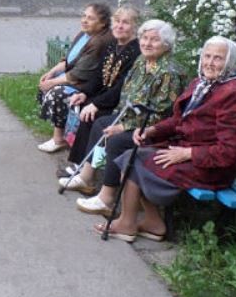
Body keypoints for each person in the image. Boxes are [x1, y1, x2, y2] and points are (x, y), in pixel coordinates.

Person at [93, 36, 236, 242]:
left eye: (218, 58)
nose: (210, 63)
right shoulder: (202, 83)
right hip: (188, 150)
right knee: (131, 155)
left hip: (211, 166)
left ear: (230, 63)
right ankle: (151, 223)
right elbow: (179, 120)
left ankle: (128, 223)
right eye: (207, 56)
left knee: (135, 160)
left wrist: (186, 154)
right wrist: (151, 130)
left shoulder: (234, 93)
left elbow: (229, 152)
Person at [62, 20, 186, 212]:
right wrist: (118, 118)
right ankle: (86, 177)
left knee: (116, 140)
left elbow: (160, 114)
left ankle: (107, 198)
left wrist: (123, 126)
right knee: (100, 123)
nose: (147, 43)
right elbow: (126, 94)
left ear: (166, 44)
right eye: (144, 38)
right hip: (131, 118)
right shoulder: (142, 61)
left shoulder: (169, 72)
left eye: (154, 40)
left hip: (152, 129)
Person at [62, 5, 141, 172]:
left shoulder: (136, 52)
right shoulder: (113, 45)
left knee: (93, 115)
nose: (119, 26)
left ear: (135, 27)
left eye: (125, 23)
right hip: (105, 95)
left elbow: (122, 87)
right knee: (81, 104)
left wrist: (96, 103)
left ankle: (86, 168)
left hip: (119, 102)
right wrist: (84, 93)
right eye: (117, 21)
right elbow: (99, 75)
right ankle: (79, 163)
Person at [36, 3, 113, 153]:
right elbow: (68, 60)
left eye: (90, 18)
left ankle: (59, 139)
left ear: (103, 23)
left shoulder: (99, 41)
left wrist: (52, 82)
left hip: (87, 84)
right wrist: (51, 73)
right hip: (74, 77)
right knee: (46, 84)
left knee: (56, 93)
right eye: (84, 16)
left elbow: (79, 73)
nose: (84, 20)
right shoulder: (83, 34)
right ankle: (64, 134)